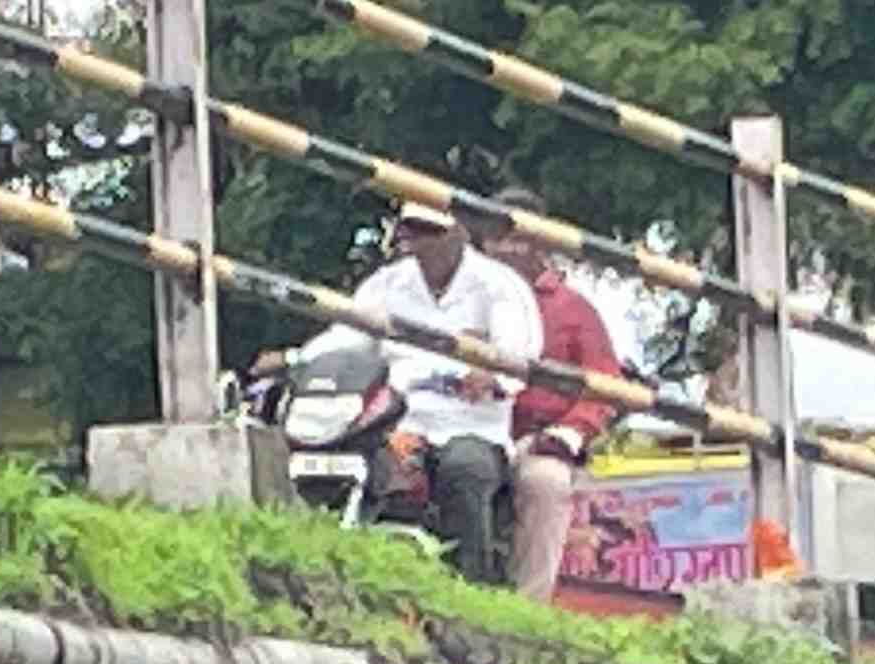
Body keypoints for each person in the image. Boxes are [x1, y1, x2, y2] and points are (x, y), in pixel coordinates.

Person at [262, 205, 541, 584]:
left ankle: (472, 586)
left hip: (469, 425)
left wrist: (492, 376)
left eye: (429, 230)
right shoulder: (386, 284)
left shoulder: (499, 285)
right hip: (392, 420)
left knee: (465, 469)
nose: (418, 240)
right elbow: (345, 338)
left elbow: (519, 356)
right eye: (411, 229)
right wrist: (293, 359)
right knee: (336, 467)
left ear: (458, 232)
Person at [471, 191, 622, 603]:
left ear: (542, 242)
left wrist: (567, 434)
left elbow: (604, 387)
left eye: (518, 238)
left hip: (533, 441)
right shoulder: (463, 298)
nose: (507, 248)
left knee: (546, 481)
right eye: (497, 238)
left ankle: (528, 604)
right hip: (461, 430)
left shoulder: (574, 310)